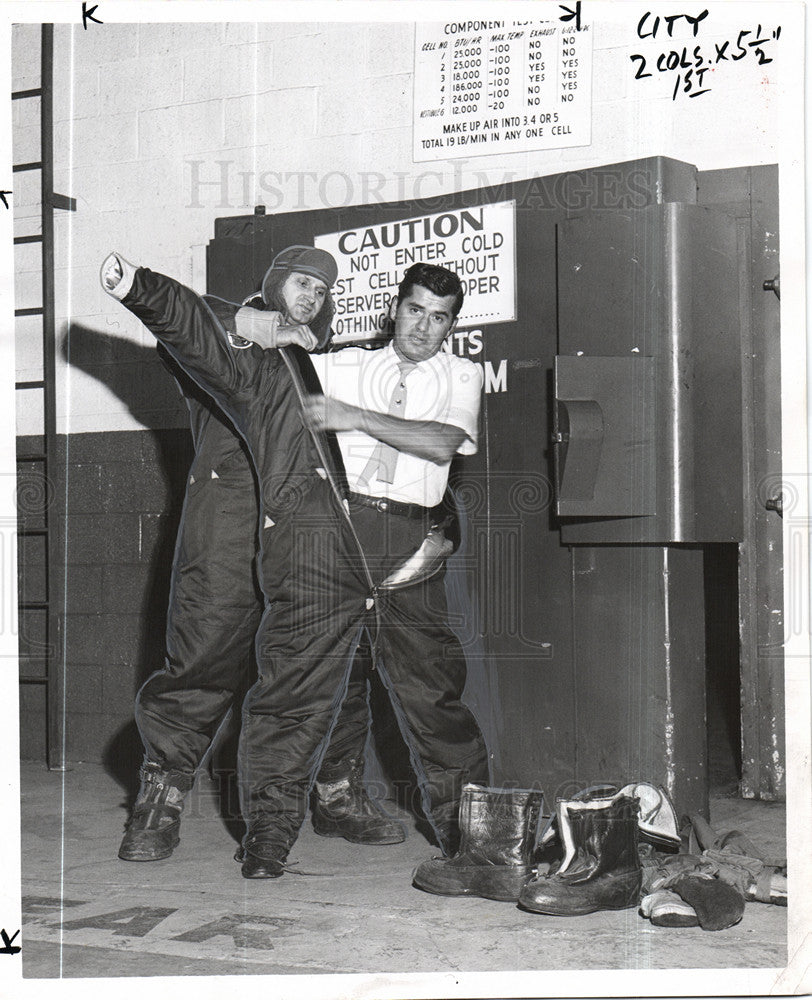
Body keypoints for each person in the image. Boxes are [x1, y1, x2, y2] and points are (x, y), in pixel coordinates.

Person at [101, 253, 489, 879]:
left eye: (323, 289)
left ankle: (337, 794)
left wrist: (434, 522)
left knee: (349, 671)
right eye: (301, 283)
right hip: (230, 541)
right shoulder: (255, 347)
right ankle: (164, 794)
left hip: (320, 546)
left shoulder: (319, 363)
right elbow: (200, 330)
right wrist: (168, 296)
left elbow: (435, 447)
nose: (311, 297)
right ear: (270, 285)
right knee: (207, 661)